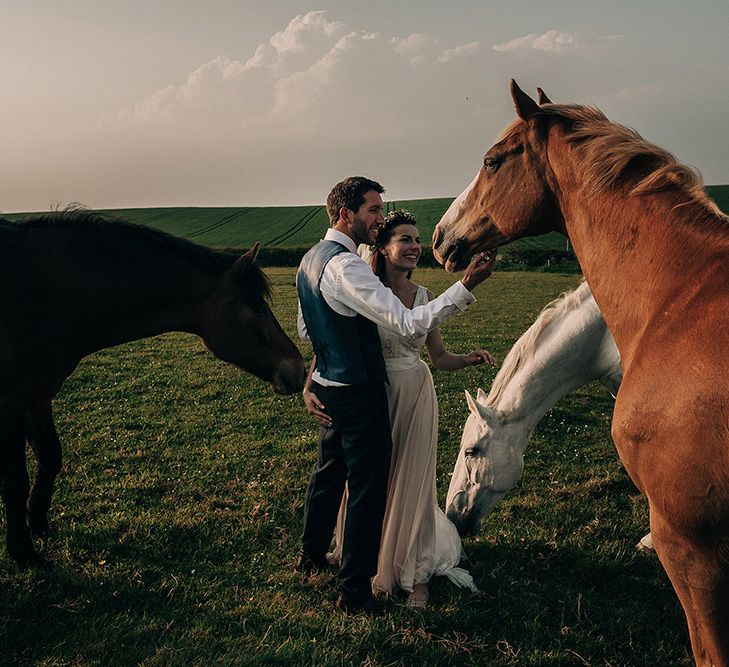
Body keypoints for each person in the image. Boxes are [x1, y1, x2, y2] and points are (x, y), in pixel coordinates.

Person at [296, 177, 496, 615]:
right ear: (346, 215)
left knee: (330, 475)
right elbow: (406, 325)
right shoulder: (347, 267)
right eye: (373, 212)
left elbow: (309, 329)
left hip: (335, 386)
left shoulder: (310, 258)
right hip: (361, 391)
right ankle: (354, 591)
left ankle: (311, 555)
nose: (379, 219)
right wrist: (465, 287)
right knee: (368, 490)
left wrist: (315, 380)